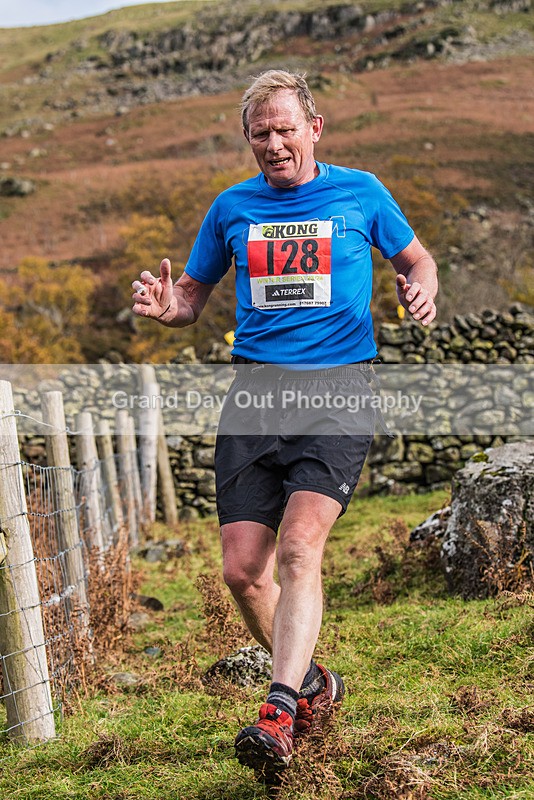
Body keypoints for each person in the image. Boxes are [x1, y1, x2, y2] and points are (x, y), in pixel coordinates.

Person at [132, 70, 438, 781]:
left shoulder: (362, 193)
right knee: (243, 571)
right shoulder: (230, 207)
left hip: (338, 390)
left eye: (285, 129)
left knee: (300, 550)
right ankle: (309, 687)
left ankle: (277, 711)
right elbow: (192, 300)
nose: (274, 143)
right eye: (260, 133)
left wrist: (420, 288)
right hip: (254, 397)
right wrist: (165, 305)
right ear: (248, 140)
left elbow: (416, 258)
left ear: (314, 129)